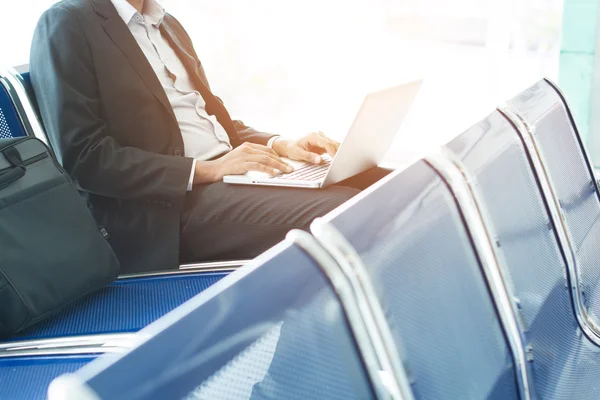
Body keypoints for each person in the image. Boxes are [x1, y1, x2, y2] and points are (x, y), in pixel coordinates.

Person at [30, 0, 390, 273]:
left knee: (388, 183)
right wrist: (205, 171)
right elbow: (85, 159)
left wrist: (277, 144)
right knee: (348, 210)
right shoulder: (67, 23)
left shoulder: (166, 24)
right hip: (165, 210)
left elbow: (210, 120)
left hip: (226, 178)